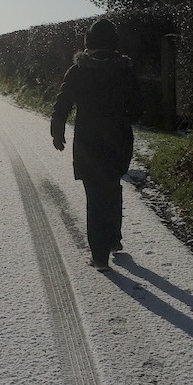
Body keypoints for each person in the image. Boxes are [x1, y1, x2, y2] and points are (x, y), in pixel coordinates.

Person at [50, 18, 142, 272]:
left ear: (88, 43)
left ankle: (99, 256)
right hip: (118, 139)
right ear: (115, 45)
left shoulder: (78, 70)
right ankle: (113, 238)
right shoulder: (125, 70)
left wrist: (57, 129)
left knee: (95, 195)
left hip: (88, 141)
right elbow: (136, 109)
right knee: (112, 187)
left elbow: (63, 102)